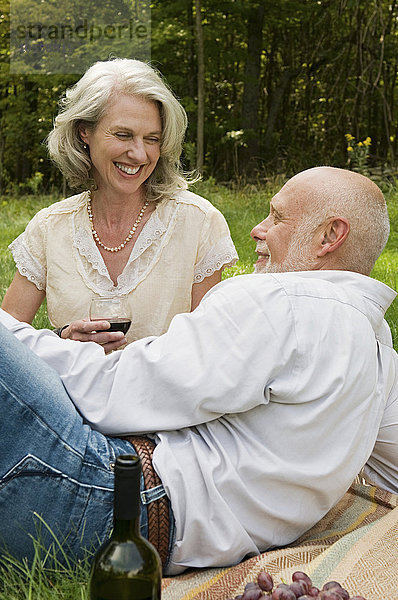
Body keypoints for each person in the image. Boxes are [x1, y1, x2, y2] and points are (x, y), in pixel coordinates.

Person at [0, 167, 397, 576]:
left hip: (109, 509)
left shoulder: (281, 303)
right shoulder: (378, 344)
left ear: (330, 236)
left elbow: (109, 395)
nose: (258, 230)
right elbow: (394, 472)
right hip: (173, 531)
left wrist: (15, 334)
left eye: (277, 217)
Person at [1, 58, 237, 349]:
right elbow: (6, 341)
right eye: (123, 135)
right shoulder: (50, 227)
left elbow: (212, 346)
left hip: (166, 393)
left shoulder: (198, 221)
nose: (139, 155)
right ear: (84, 131)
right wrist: (62, 340)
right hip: (68, 394)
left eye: (152, 139)